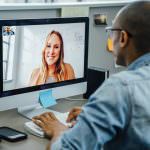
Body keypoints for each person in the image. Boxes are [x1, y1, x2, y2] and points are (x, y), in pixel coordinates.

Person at [32, 1, 150, 149]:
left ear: (123, 38)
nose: (51, 51)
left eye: (111, 31)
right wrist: (98, 115)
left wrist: (59, 130)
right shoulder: (35, 72)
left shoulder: (120, 88)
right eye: (48, 46)